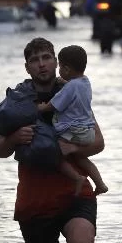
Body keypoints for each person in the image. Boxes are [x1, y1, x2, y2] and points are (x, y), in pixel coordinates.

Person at [0, 37, 104, 243]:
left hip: (75, 192)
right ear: (27, 67)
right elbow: (1, 150)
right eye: (34, 60)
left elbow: (98, 143)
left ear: (56, 62)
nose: (41, 64)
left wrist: (73, 149)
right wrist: (15, 138)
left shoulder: (74, 90)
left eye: (46, 58)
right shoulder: (17, 100)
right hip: (35, 200)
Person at [37, 45, 108, 196]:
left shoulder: (70, 87)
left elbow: (56, 103)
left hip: (74, 132)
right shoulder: (85, 82)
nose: (59, 71)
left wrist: (43, 108)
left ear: (67, 69)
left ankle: (77, 178)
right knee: (81, 158)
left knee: (55, 154)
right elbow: (74, 89)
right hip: (87, 131)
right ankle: (100, 184)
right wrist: (65, 83)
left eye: (61, 67)